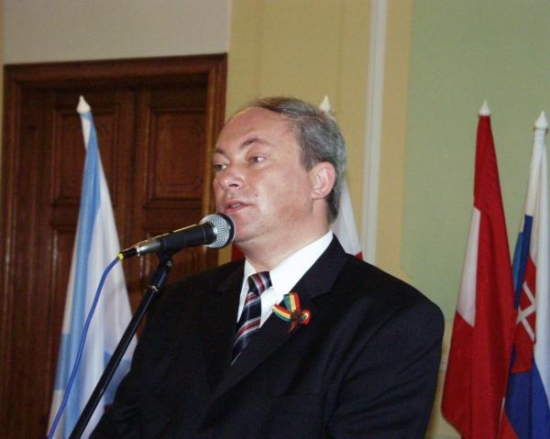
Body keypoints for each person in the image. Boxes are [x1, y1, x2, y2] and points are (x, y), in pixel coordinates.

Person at [92, 96, 444, 438]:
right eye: (220, 165)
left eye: (255, 158)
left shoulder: (392, 319)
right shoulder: (178, 303)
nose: (226, 179)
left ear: (319, 181)